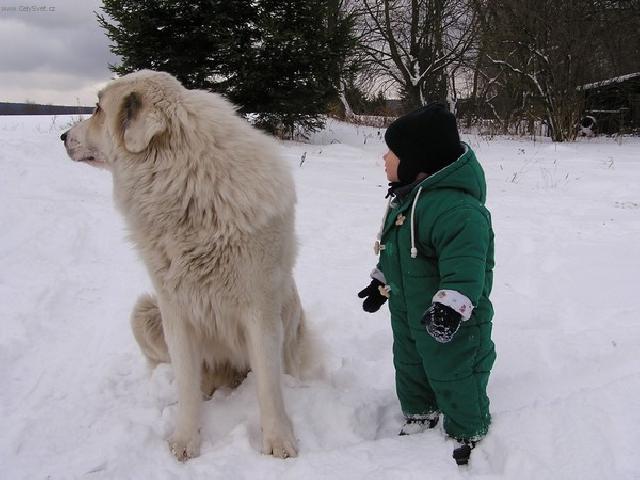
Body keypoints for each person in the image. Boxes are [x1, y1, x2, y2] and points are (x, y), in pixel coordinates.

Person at [357, 103, 496, 466]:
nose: (384, 158)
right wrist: (380, 281)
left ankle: (468, 427)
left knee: (456, 368)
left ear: (417, 161)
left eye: (393, 152)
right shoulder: (406, 201)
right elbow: (398, 253)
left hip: (452, 317)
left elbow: (467, 266)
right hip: (408, 308)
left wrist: (450, 307)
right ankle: (419, 411)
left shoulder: (458, 211)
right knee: (410, 362)